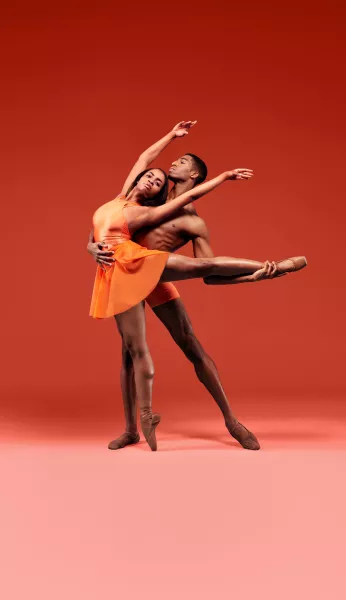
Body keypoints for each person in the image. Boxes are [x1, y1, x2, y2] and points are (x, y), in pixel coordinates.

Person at [89, 123, 307, 451]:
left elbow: (208, 273)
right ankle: (130, 429)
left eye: (182, 162)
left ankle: (232, 420)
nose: (171, 165)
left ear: (193, 175)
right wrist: (91, 248)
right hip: (126, 272)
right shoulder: (148, 196)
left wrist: (252, 277)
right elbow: (106, 225)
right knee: (129, 353)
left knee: (191, 345)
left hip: (158, 274)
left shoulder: (194, 223)